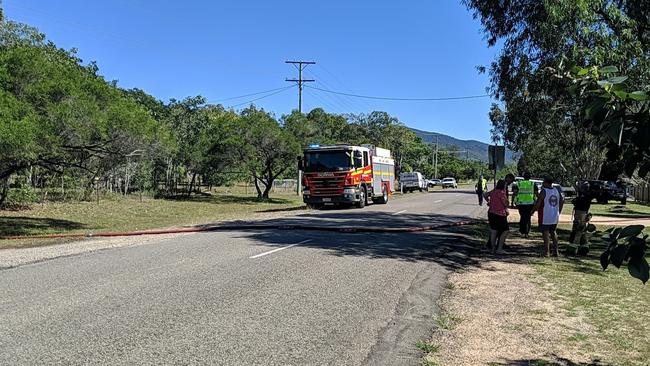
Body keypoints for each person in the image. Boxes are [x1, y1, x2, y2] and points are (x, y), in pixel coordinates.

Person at [532, 177, 564, 257]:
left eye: (543, 182)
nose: (542, 184)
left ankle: (547, 252)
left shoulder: (544, 191)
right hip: (554, 216)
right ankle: (556, 251)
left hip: (545, 215)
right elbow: (562, 201)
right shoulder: (557, 190)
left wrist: (532, 211)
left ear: (546, 183)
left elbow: (538, 203)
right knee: (553, 232)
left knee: (545, 233)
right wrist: (558, 211)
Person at [485, 179, 510, 255]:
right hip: (500, 214)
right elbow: (505, 203)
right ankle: (499, 248)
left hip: (491, 213)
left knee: (494, 231)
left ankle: (492, 249)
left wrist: (488, 201)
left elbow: (485, 194)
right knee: (505, 230)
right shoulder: (502, 193)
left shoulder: (493, 192)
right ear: (503, 186)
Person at [513, 172, 535, 238]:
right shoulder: (532, 184)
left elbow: (515, 193)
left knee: (522, 217)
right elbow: (536, 193)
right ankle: (527, 232)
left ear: (523, 177)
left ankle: (522, 231)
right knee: (528, 218)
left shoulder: (519, 183)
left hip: (521, 203)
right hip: (530, 203)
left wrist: (513, 202)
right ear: (530, 177)